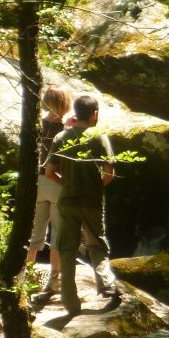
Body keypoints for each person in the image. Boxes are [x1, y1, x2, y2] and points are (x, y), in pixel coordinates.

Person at [44, 93, 118, 316]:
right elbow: (109, 173)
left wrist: (66, 183)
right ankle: (106, 285)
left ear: (76, 113)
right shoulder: (98, 137)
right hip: (91, 202)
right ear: (94, 114)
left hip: (67, 201)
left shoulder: (61, 138)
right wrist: (96, 185)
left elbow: (49, 173)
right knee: (97, 244)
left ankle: (70, 303)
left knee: (66, 249)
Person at [27, 84, 72, 292]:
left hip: (37, 183)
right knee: (57, 236)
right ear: (65, 103)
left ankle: (26, 275)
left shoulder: (37, 125)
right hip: (57, 182)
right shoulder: (66, 131)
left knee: (35, 234)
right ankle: (54, 280)